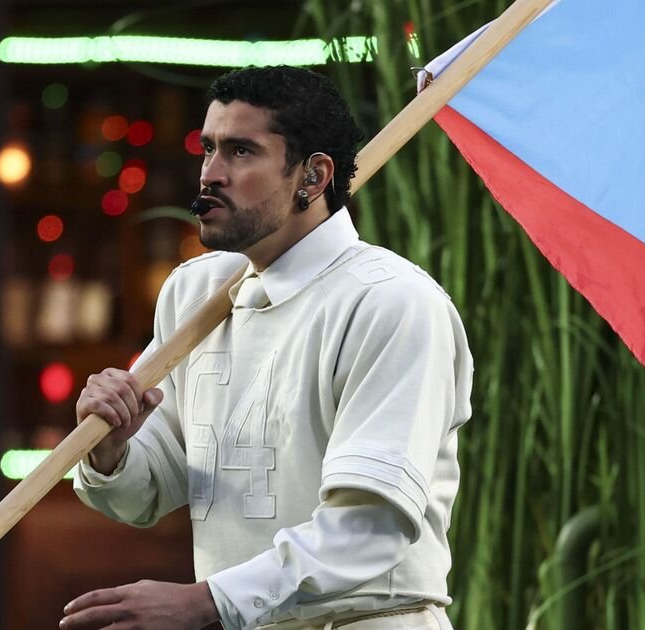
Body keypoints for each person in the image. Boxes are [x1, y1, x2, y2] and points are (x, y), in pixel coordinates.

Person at [60, 66, 473, 630]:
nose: (211, 174)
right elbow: (144, 494)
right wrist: (109, 447)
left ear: (313, 176)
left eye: (241, 151)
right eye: (208, 148)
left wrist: (205, 602)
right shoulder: (193, 293)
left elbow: (369, 527)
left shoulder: (391, 302)